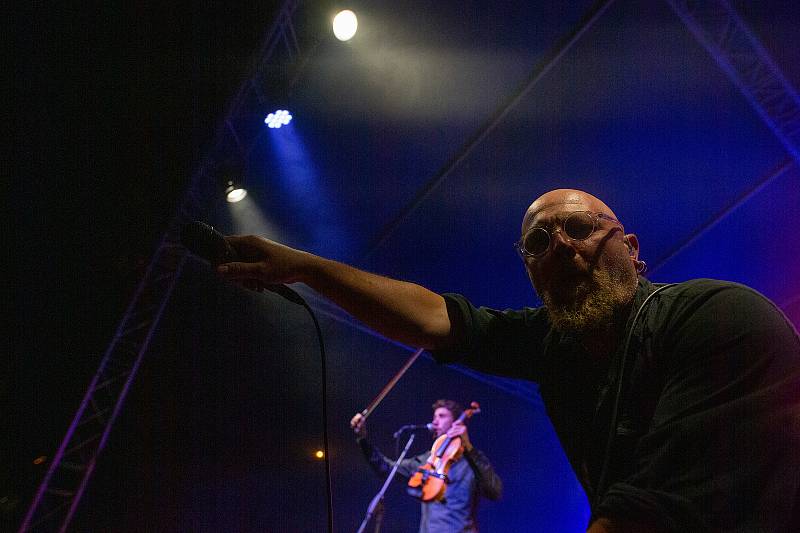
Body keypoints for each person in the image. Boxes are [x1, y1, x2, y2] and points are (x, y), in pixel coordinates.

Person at [216, 188, 800, 531]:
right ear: (530, 271)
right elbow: (436, 319)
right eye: (541, 243)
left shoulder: (716, 318)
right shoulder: (555, 345)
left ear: (631, 249)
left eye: (581, 228)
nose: (565, 248)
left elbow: (654, 513)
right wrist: (304, 266)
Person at [349, 399, 502, 532]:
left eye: (442, 416)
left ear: (456, 422)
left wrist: (468, 447)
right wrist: (363, 439)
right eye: (434, 416)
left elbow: (494, 491)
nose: (435, 421)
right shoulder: (428, 460)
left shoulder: (472, 459)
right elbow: (386, 469)